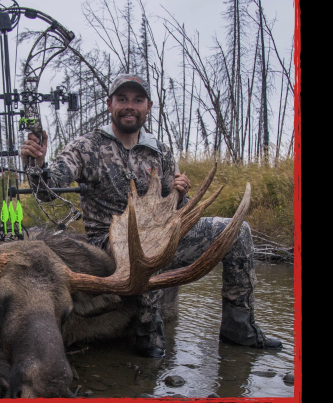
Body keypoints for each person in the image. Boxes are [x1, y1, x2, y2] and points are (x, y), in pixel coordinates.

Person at [21, 73, 282, 358]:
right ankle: (149, 335)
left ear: (148, 106)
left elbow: (175, 210)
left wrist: (180, 194)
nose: (129, 106)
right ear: (109, 104)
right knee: (148, 243)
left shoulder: (160, 151)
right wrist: (37, 164)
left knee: (237, 231)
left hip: (157, 235)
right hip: (107, 243)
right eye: (122, 99)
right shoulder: (85, 147)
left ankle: (240, 328)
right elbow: (46, 191)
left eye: (137, 100)